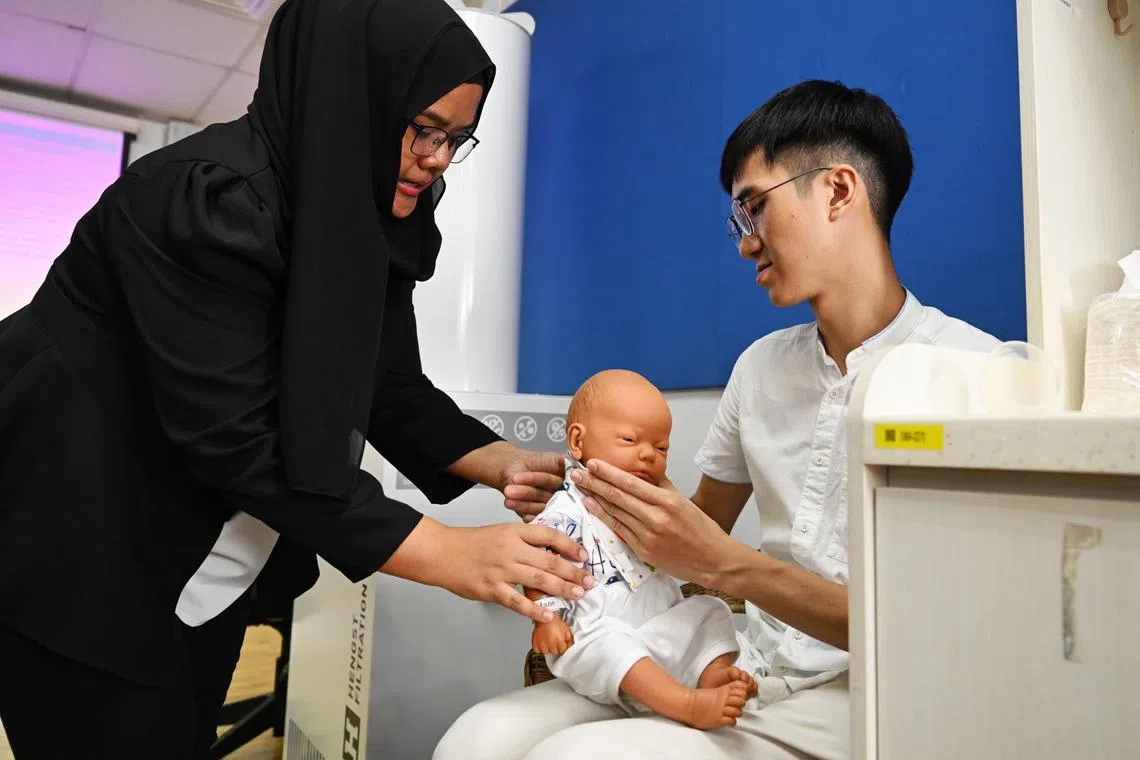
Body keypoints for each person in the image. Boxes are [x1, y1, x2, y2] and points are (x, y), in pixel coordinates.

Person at [0, 1, 594, 756]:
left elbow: (383, 381)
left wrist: (499, 461)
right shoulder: (203, 198)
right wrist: (450, 553)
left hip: (200, 557)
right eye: (424, 131)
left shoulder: (366, 216)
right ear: (355, 104)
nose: (439, 159)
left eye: (456, 139)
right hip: (79, 544)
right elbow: (235, 441)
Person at [433, 80, 1002, 760]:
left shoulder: (975, 375)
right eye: (737, 222)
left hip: (873, 694)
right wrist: (589, 516)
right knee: (477, 741)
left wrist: (729, 568)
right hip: (743, 667)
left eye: (755, 208)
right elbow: (694, 536)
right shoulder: (761, 369)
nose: (744, 245)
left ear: (839, 191)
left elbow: (933, 627)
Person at [524, 369, 755, 730]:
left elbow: (685, 557)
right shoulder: (568, 508)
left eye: (661, 447)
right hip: (594, 635)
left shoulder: (652, 508)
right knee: (612, 645)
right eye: (630, 439)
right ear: (578, 440)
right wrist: (547, 618)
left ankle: (714, 676)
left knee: (711, 609)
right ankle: (687, 704)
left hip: (654, 629)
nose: (648, 454)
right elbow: (539, 561)